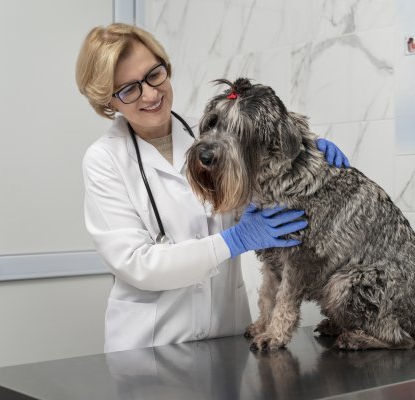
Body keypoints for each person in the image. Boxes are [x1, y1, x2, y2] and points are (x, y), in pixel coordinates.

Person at [76, 23, 350, 353]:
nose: (150, 94)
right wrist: (233, 240)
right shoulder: (104, 159)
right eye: (129, 89)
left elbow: (265, 160)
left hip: (226, 335)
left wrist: (307, 149)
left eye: (154, 74)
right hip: (150, 346)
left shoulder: (212, 130)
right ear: (109, 101)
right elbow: (136, 263)